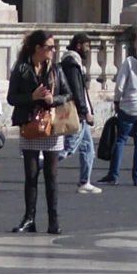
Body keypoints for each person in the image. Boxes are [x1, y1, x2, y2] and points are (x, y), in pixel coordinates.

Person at [8, 28, 69, 234]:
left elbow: (68, 95)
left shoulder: (56, 69)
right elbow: (11, 98)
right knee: (31, 174)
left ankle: (54, 220)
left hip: (51, 125)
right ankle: (29, 218)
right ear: (38, 48)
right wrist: (31, 97)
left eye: (53, 47)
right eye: (49, 47)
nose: (53, 50)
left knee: (52, 174)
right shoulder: (22, 68)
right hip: (30, 124)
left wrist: (54, 100)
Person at [106, 36, 137, 188]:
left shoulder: (129, 62)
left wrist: (116, 100)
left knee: (121, 140)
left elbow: (120, 84)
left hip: (129, 106)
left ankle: (113, 175)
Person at [60, 33, 101, 194]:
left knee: (88, 148)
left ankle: (85, 181)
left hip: (80, 112)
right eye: (87, 46)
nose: (88, 49)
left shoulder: (73, 62)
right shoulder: (71, 63)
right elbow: (78, 91)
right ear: (78, 45)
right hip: (77, 113)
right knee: (69, 148)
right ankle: (40, 165)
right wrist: (85, 112)